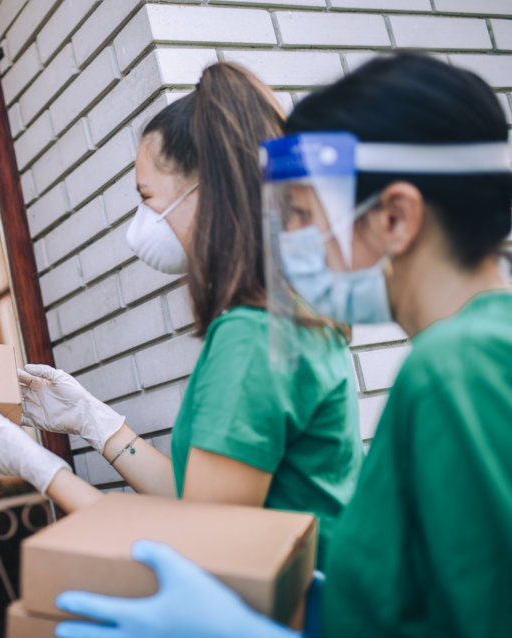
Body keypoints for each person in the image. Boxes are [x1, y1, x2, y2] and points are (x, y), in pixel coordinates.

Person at [48, 53, 512, 638]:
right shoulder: (472, 352)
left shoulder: (461, 366)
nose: (287, 241)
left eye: (301, 215)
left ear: (395, 217)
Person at [0, 62, 363, 566]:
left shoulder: (252, 336)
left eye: (147, 198)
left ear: (205, 191)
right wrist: (94, 421)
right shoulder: (291, 313)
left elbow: (199, 549)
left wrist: (35, 465)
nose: (140, 223)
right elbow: (200, 500)